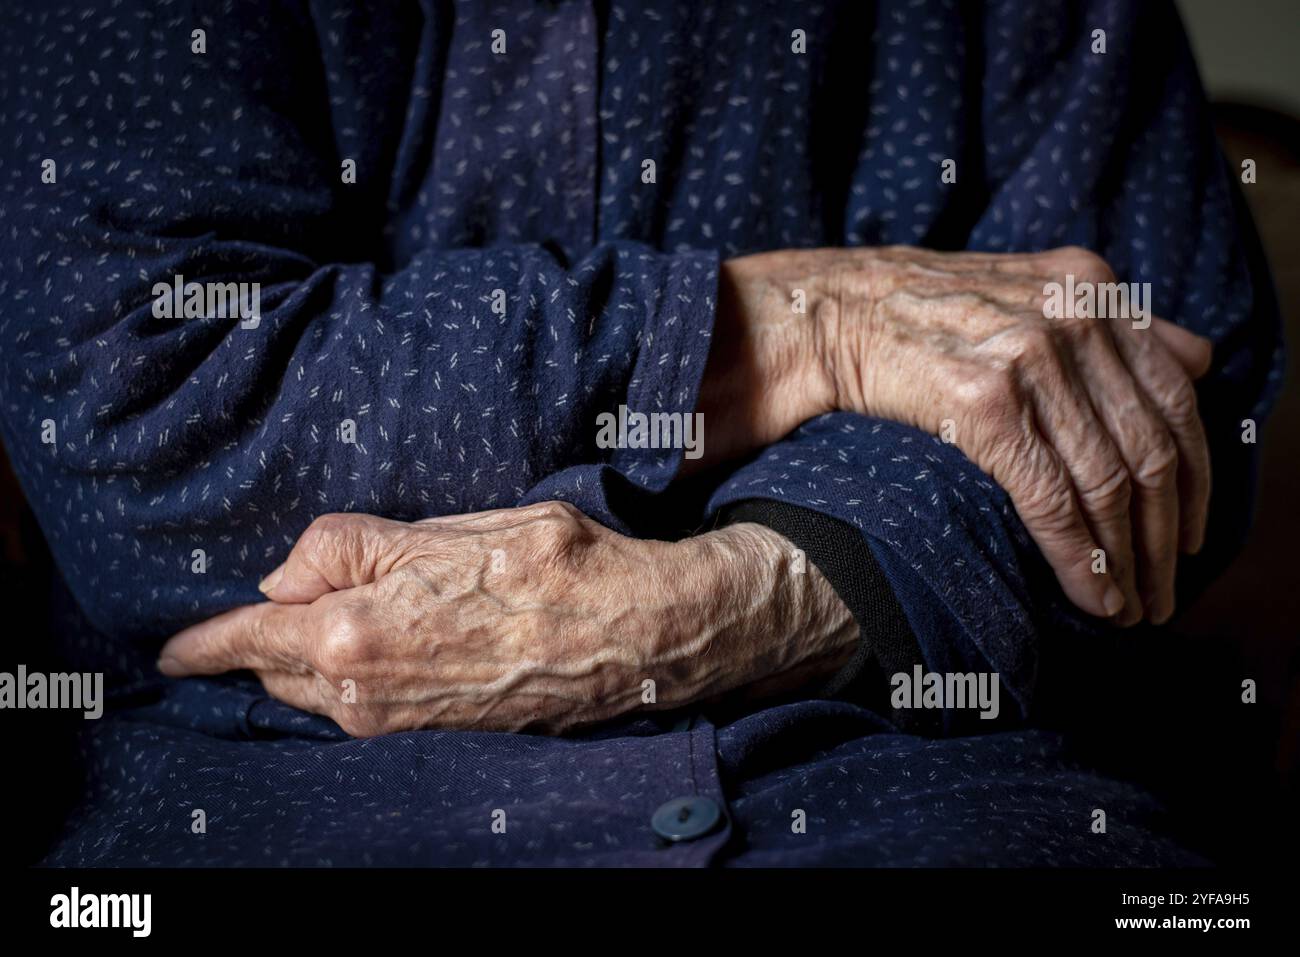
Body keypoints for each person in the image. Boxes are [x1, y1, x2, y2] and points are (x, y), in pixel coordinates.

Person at [0, 0, 1281, 866]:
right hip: (262, 782)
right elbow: (144, 409)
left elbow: (1155, 382)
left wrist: (736, 603)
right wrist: (806, 324)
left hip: (910, 771)